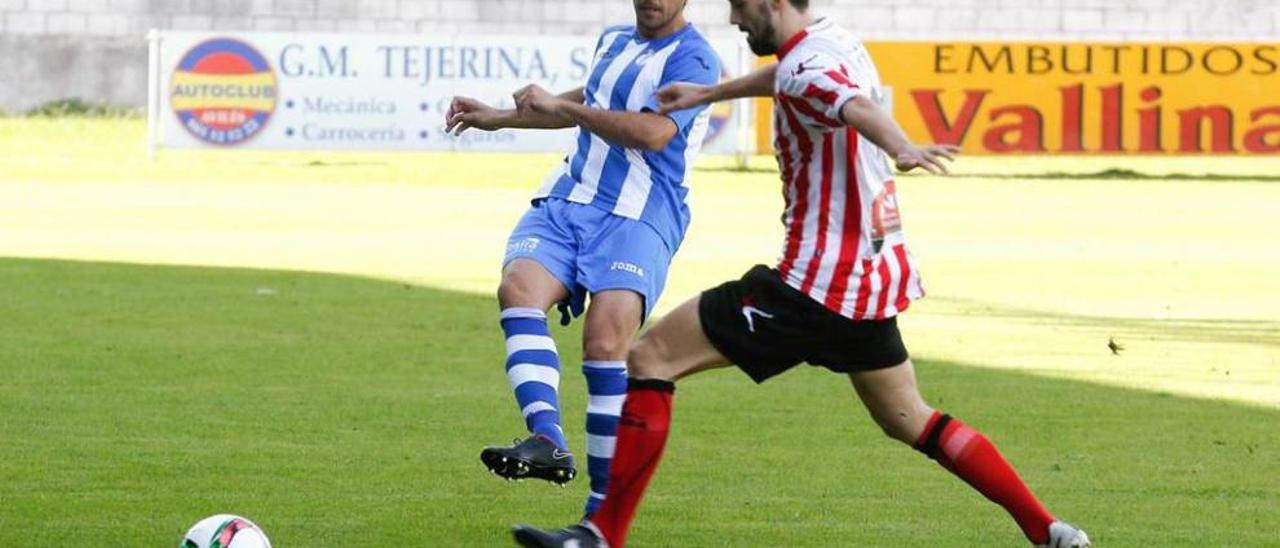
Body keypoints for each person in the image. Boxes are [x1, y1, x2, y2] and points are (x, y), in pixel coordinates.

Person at [510, 1, 1092, 547]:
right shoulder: (830, 42)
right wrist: (713, 91)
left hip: (810, 284)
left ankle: (599, 535)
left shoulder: (808, 72)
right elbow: (789, 76)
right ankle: (1049, 530)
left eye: (740, 3)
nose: (733, 16)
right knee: (910, 418)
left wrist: (902, 145)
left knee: (649, 358)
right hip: (870, 281)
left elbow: (852, 106)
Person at [444, 0, 722, 518]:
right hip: (571, 198)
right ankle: (547, 438)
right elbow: (587, 101)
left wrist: (564, 108)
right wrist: (498, 118)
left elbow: (655, 132)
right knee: (518, 289)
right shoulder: (614, 40)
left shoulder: (696, 58)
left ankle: (598, 519)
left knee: (604, 341)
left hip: (640, 217)